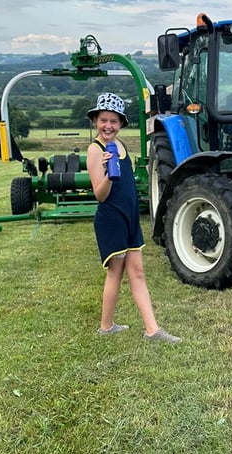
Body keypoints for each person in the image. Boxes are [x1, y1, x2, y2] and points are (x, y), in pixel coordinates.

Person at [85, 92, 181, 343]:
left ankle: (152, 330)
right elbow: (100, 195)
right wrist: (107, 173)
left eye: (114, 121)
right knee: (115, 272)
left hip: (129, 218)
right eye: (104, 120)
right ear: (96, 120)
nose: (108, 126)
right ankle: (106, 327)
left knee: (137, 272)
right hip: (111, 219)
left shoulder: (120, 146)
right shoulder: (95, 151)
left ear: (121, 124)